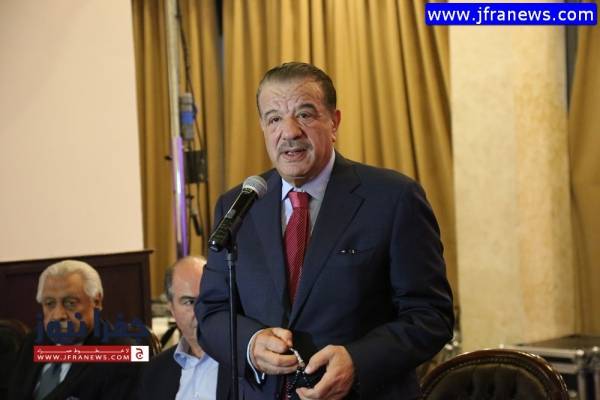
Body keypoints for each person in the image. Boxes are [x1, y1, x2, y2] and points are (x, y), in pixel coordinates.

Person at [195, 62, 454, 400]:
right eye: (274, 119)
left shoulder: (394, 198)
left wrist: (358, 361)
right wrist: (250, 344)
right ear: (263, 127)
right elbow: (212, 313)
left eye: (304, 115)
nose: (289, 132)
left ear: (334, 122)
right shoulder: (238, 205)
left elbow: (431, 315)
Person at [7, 260, 140, 400]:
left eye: (70, 303)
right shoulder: (33, 341)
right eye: (49, 303)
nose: (58, 315)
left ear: (96, 302)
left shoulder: (124, 355)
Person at [137, 256, 229, 400]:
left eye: (207, 299)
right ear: (172, 309)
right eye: (189, 302)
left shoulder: (243, 363)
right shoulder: (155, 372)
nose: (200, 311)